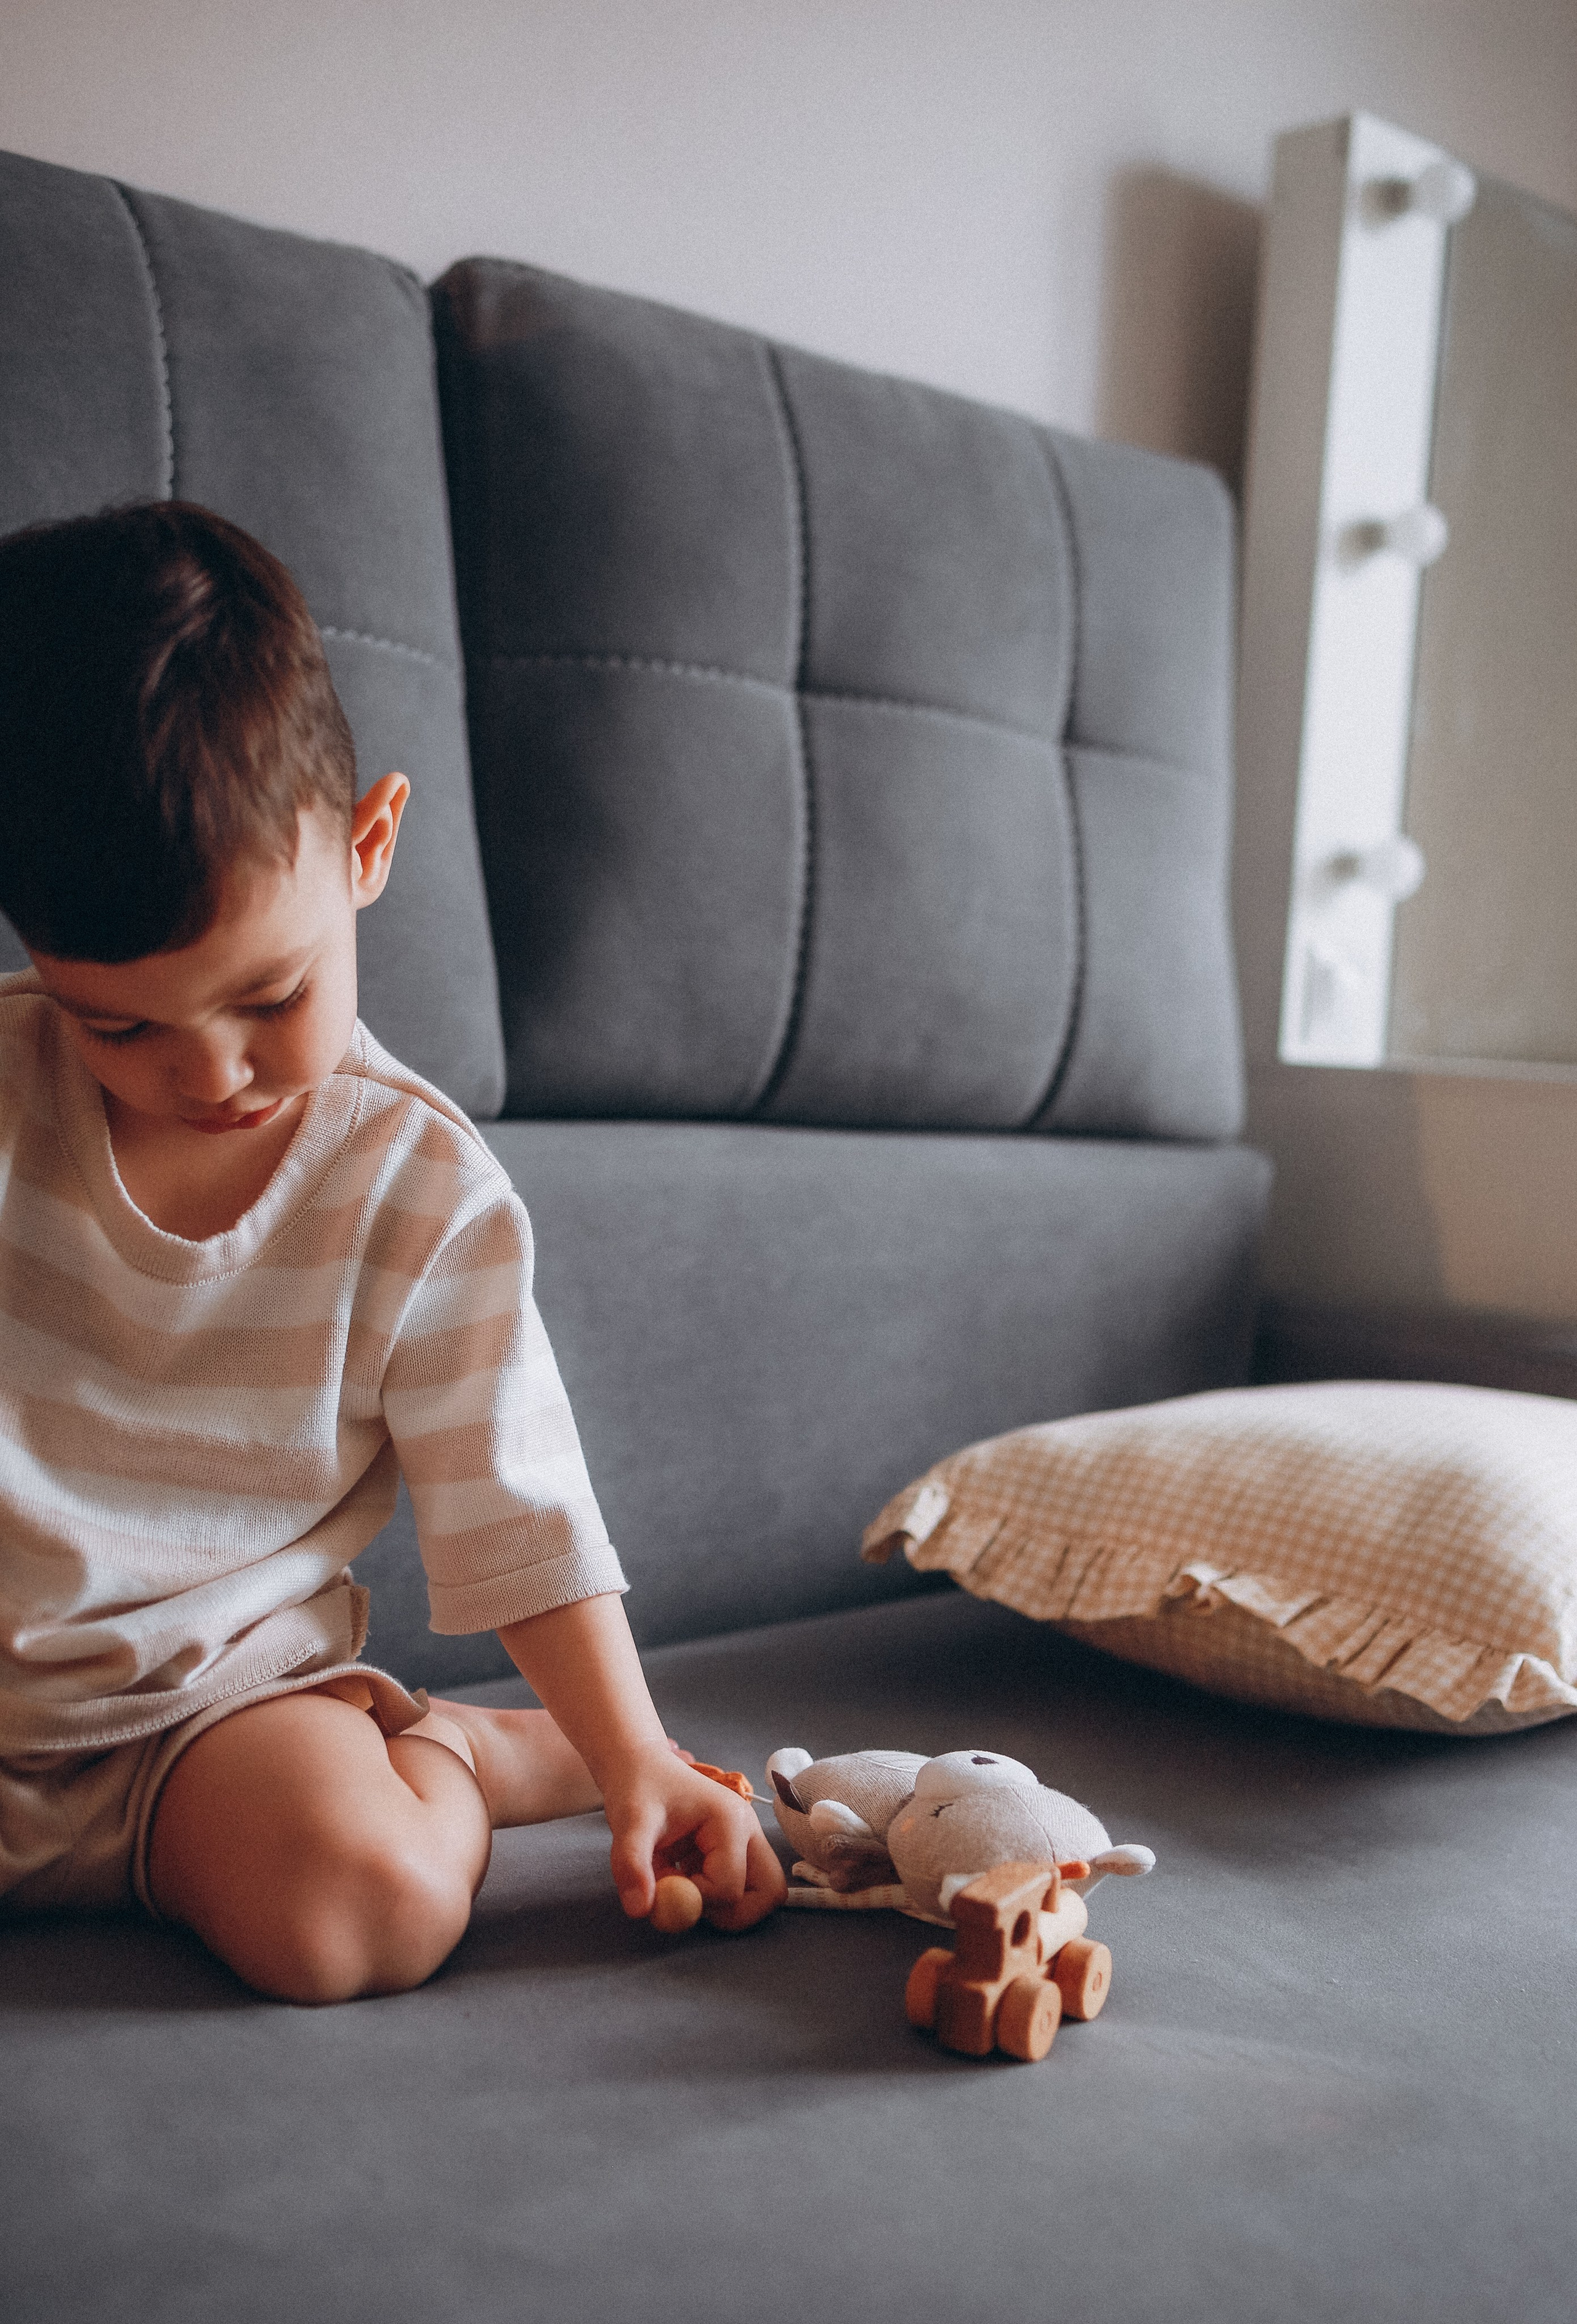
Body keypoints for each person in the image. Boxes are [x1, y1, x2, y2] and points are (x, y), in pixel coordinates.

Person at [0, 501, 785, 2001]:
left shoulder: (417, 1185)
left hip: (215, 1724)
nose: (208, 1069)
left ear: (366, 845)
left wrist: (632, 1758)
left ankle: (467, 1755)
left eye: (268, 993)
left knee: (363, 1907)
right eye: (119, 1025)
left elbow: (522, 1507)